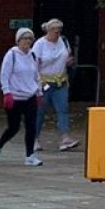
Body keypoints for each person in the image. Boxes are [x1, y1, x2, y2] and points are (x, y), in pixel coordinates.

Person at [0, 27, 42, 166]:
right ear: (18, 41)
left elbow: (36, 75)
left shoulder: (32, 55)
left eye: (30, 39)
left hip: (30, 95)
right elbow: (4, 75)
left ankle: (30, 155)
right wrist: (6, 92)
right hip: (15, 96)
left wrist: (39, 92)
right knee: (14, 127)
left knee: (31, 126)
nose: (27, 41)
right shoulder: (11, 55)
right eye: (24, 38)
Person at [31, 19, 78, 152]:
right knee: (40, 111)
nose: (57, 34)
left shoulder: (63, 41)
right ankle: (34, 138)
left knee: (63, 109)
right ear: (48, 31)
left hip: (60, 81)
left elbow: (68, 56)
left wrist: (69, 62)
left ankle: (65, 138)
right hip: (44, 82)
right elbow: (34, 64)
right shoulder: (39, 44)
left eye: (59, 31)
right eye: (55, 31)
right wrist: (38, 82)